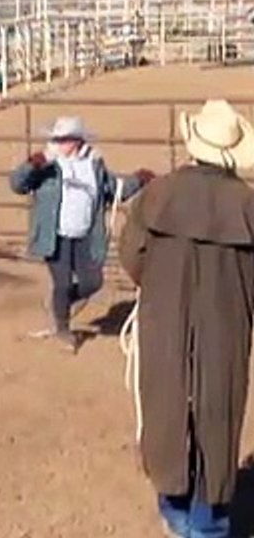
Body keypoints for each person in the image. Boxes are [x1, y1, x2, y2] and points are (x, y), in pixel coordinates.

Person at [119, 99, 254, 538]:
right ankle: (207, 521)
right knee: (218, 413)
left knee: (166, 405)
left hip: (164, 320)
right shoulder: (247, 206)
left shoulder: (158, 193)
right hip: (226, 326)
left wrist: (159, 288)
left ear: (194, 144)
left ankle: (175, 508)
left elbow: (132, 255)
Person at [9, 116, 154, 352]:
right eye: (57, 139)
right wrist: (32, 164)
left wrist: (138, 180)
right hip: (55, 236)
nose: (60, 144)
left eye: (64, 139)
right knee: (63, 282)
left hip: (86, 234)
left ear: (77, 141)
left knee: (92, 282)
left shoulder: (94, 164)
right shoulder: (46, 166)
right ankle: (63, 328)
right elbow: (17, 184)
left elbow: (114, 190)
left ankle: (60, 305)